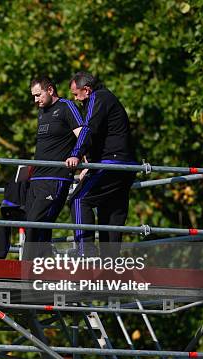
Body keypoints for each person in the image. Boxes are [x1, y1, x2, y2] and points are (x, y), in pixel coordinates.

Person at [65, 72, 137, 256]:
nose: (76, 99)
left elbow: (89, 129)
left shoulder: (98, 98)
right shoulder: (108, 98)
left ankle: (85, 251)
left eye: (75, 94)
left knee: (79, 199)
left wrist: (76, 154)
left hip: (112, 163)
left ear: (87, 90)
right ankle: (110, 262)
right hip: (126, 165)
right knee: (111, 213)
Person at [26, 76, 84, 245]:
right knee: (34, 225)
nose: (36, 100)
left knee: (34, 224)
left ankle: (27, 268)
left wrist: (83, 163)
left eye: (38, 95)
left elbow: (83, 135)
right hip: (36, 178)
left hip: (55, 177)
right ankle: (41, 266)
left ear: (50, 90)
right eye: (34, 96)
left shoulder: (67, 106)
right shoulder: (41, 112)